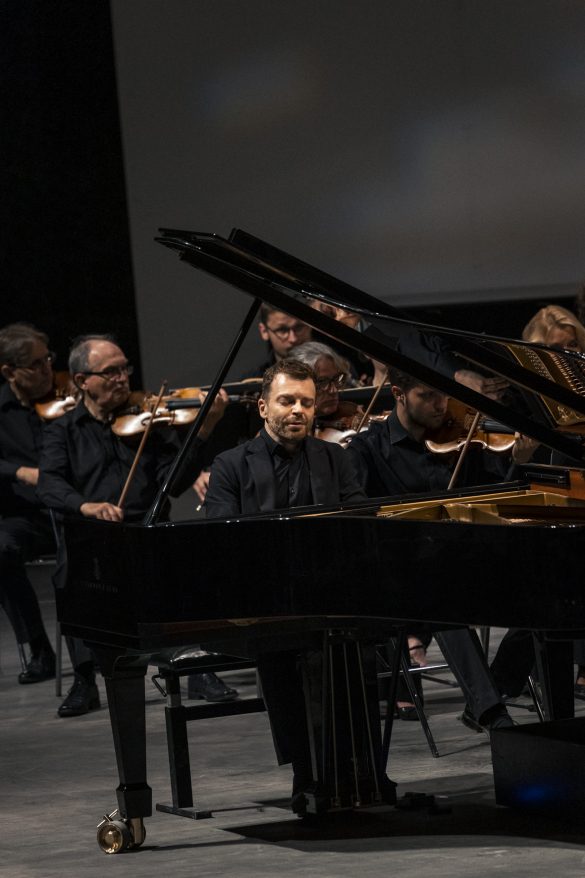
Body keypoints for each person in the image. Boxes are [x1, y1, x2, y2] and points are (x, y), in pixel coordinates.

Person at [38, 333, 235, 716]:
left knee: (186, 560)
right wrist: (86, 507)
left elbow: (174, 483)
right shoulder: (62, 431)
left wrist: (205, 429)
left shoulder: (150, 423)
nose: (122, 378)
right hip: (93, 535)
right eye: (110, 372)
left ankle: (194, 667)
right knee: (72, 572)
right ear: (82, 381)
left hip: (146, 529)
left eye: (124, 369)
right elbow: (49, 484)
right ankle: (85, 678)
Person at [205, 359, 367, 813]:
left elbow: (357, 517)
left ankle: (360, 765)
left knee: (357, 642)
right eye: (287, 400)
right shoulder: (231, 464)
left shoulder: (336, 458)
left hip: (329, 590)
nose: (298, 410)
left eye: (307, 402)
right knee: (285, 647)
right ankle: (305, 770)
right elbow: (221, 534)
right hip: (263, 596)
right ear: (262, 407)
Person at [346, 367, 514, 732]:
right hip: (401, 579)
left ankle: (499, 686)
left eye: (445, 395)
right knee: (440, 594)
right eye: (429, 396)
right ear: (399, 394)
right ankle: (492, 714)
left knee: (546, 591)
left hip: (469, 566)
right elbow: (356, 520)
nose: (442, 406)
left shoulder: (464, 438)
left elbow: (505, 489)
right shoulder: (367, 449)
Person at [0, 323, 58, 683]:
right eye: (35, 365)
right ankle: (39, 647)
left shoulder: (66, 399)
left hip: (71, 511)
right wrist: (20, 471)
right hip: (28, 517)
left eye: (47, 360)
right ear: (9, 371)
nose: (46, 371)